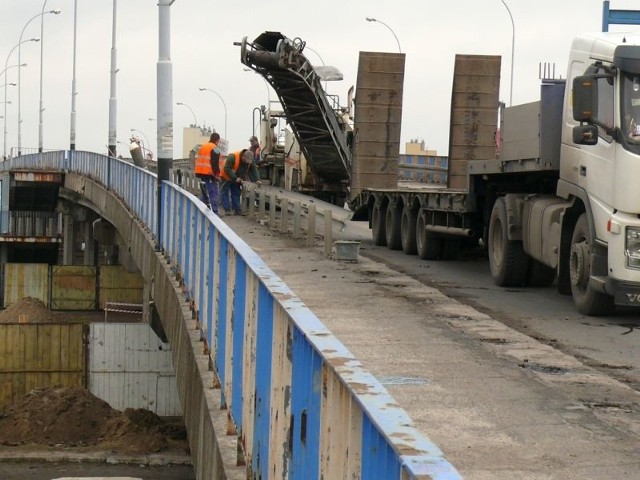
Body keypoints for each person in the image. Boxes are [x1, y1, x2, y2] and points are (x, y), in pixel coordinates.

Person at [220, 149, 260, 215]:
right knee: (225, 192)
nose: (247, 163)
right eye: (246, 162)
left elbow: (254, 169)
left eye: (249, 162)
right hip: (225, 176)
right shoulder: (232, 157)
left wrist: (257, 179)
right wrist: (235, 178)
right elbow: (226, 168)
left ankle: (237, 210)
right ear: (243, 157)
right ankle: (227, 210)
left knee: (236, 192)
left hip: (237, 178)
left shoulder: (250, 159)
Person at [194, 133, 222, 214]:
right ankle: (214, 212)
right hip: (209, 173)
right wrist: (217, 175)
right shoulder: (215, 148)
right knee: (213, 193)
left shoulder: (203, 146)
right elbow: (214, 163)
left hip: (201, 172)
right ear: (217, 140)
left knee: (205, 192)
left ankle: (197, 207)